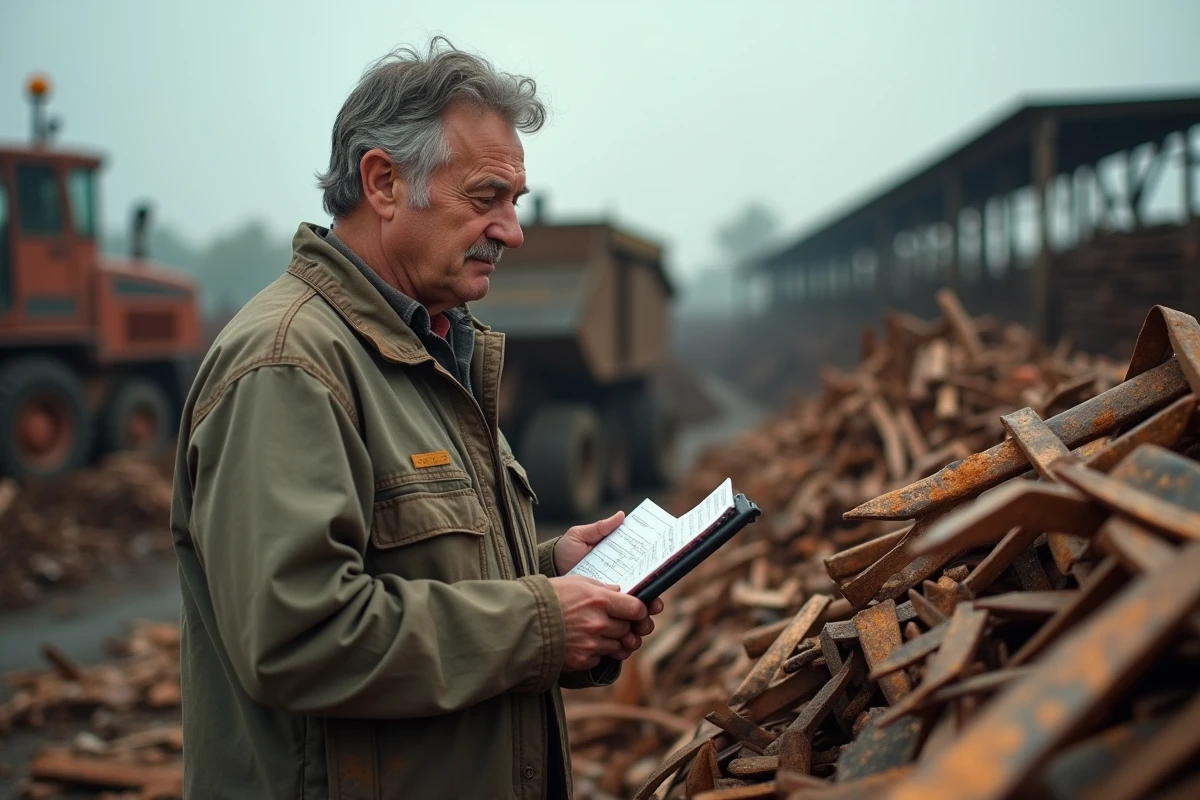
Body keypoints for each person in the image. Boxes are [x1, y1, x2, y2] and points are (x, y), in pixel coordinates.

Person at [169, 38, 664, 800]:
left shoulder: (428, 347)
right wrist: (541, 624)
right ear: (384, 182)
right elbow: (297, 637)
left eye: (515, 202)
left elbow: (413, 573)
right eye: (485, 197)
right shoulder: (287, 369)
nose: (512, 231)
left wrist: (552, 570)